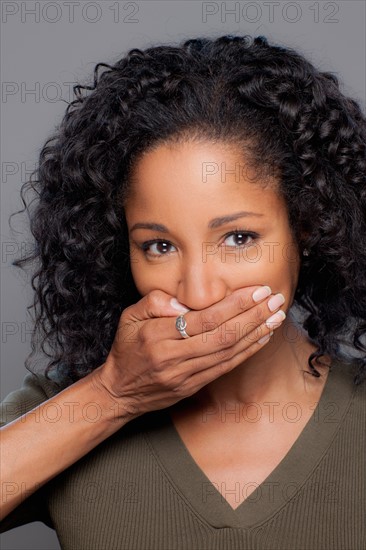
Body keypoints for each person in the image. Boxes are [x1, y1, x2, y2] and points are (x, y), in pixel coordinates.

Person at [1, 34, 365, 549]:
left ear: (307, 227)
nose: (198, 291)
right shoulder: (68, 409)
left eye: (239, 238)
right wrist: (113, 395)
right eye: (159, 246)